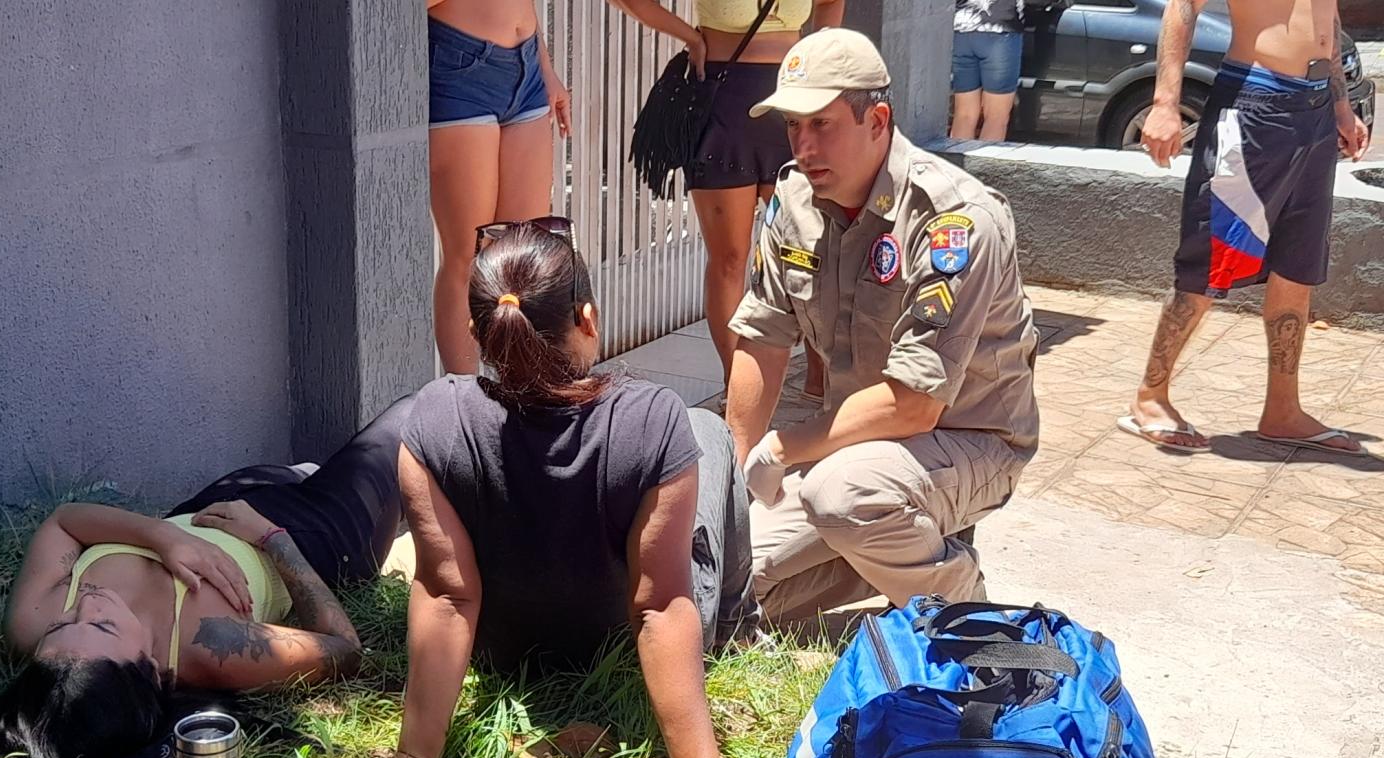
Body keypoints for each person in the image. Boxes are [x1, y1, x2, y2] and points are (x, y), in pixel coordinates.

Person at [342, 220, 756, 758]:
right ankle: (738, 621)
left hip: (507, 651)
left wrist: (415, 756)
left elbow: (449, 594)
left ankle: (735, 622)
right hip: (622, 638)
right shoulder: (652, 418)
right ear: (586, 318)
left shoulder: (433, 419)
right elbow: (658, 604)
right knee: (709, 429)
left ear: (480, 334)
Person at [725, 29, 1040, 619]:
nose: (803, 144)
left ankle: (967, 617)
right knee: (728, 581)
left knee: (841, 494)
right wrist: (733, 474)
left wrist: (781, 446)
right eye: (794, 126)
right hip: (859, 447)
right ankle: (886, 554)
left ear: (878, 119)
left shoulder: (954, 219)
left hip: (972, 440)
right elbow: (763, 338)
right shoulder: (791, 203)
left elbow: (916, 405)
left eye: (822, 124)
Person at [0, 400, 414, 758]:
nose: (85, 603)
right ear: (149, 669)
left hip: (215, 503)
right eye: (101, 624)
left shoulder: (32, 622)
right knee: (412, 420)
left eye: (65, 624)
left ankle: (312, 479)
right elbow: (345, 650)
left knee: (299, 469)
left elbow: (64, 521)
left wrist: (162, 536)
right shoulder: (209, 647)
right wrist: (273, 538)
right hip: (314, 534)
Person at [1121, 0, 1371, 455]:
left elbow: (1326, 21)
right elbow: (1182, 8)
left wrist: (1340, 105)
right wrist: (1164, 103)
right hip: (1254, 104)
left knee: (1298, 265)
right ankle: (1150, 396)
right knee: (1211, 260)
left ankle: (1283, 411)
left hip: (1314, 112)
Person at [611, 0, 843, 398]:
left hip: (795, 103)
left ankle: (820, 374)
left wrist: (820, 55)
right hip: (723, 98)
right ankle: (737, 384)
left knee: (808, 248)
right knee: (731, 258)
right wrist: (689, 37)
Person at [428, 0, 572, 375]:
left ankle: (519, 398)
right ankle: (461, 403)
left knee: (521, 253)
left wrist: (546, 68)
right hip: (460, 65)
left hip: (526, 69)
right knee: (468, 255)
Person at [949, 0, 1024, 142]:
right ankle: (981, 164)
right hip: (1001, 31)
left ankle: (957, 161)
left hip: (962, 32)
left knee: (964, 114)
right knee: (996, 117)